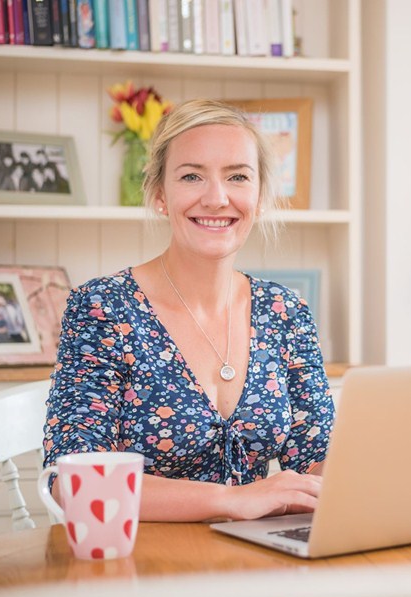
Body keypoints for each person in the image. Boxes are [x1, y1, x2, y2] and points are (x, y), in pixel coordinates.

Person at [43, 99, 334, 522]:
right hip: (142, 562)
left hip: (257, 559)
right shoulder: (103, 308)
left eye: (237, 176)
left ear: (260, 195)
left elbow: (315, 458)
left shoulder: (285, 310)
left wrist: (372, 471)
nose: (217, 199)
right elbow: (73, 482)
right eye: (192, 176)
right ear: (161, 195)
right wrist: (234, 499)